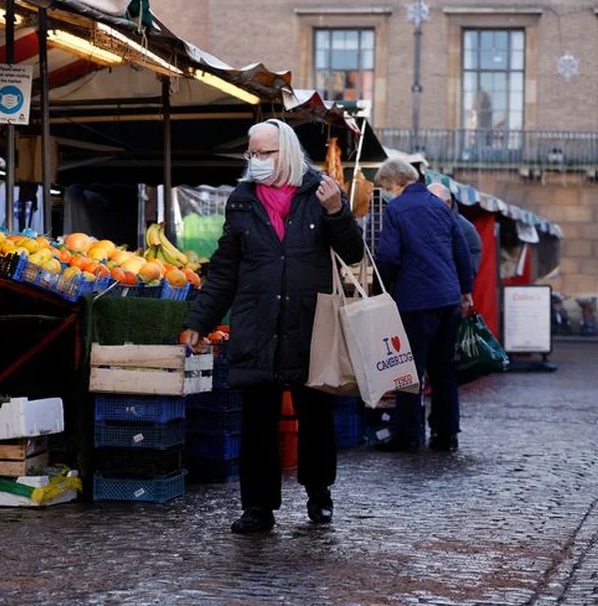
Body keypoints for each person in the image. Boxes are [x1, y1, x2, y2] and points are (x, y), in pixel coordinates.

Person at [181, 119, 364, 534]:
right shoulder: (242, 200)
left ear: (286, 151)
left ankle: (319, 494)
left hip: (308, 324)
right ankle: (258, 508)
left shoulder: (320, 193)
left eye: (266, 153)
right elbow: (225, 270)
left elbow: (352, 252)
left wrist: (337, 211)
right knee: (257, 421)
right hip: (256, 323)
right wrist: (199, 320)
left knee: (315, 415)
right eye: (253, 154)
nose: (258, 161)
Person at [373, 160, 474, 453]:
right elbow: (461, 250)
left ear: (394, 183)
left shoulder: (396, 209)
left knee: (409, 371)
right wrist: (465, 290)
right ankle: (446, 434)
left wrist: (381, 288)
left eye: (383, 187)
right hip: (448, 298)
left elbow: (389, 255)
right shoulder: (439, 205)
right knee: (444, 370)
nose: (385, 193)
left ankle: (408, 434)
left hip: (415, 299)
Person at [428, 182, 482, 277]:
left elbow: (472, 262)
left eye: (433, 202)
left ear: (449, 202)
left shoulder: (466, 228)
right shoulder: (423, 222)